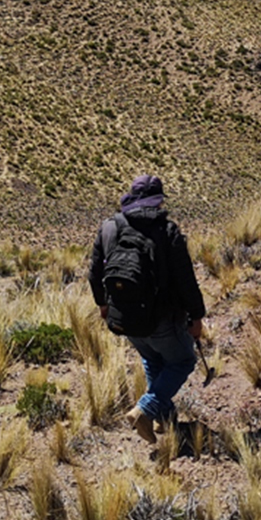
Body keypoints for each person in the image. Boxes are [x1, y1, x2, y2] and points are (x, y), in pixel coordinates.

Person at [88, 174, 206, 444]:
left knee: (153, 360)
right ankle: (146, 409)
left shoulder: (109, 228)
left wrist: (104, 305)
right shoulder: (167, 231)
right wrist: (196, 316)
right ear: (159, 200)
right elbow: (186, 280)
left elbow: (95, 274)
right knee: (183, 361)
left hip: (123, 317)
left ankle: (164, 420)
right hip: (161, 317)